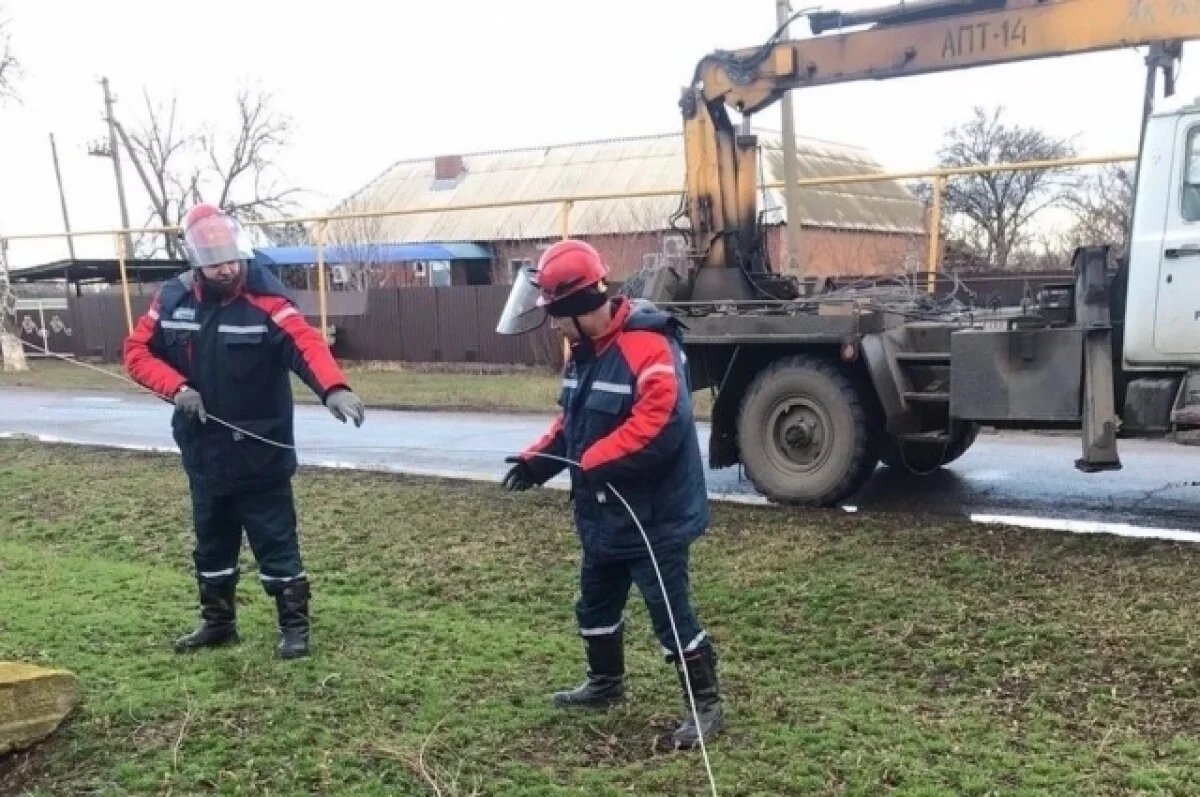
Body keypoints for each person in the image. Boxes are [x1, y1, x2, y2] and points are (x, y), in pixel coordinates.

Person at [496, 239, 724, 749]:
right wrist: (539, 461)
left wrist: (590, 463)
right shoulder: (584, 353)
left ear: (577, 308)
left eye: (556, 314)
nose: (553, 324)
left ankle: (706, 707)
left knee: (672, 617)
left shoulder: (649, 347)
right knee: (594, 606)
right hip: (604, 515)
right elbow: (572, 422)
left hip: (654, 519)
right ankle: (604, 685)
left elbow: (660, 423)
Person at [123, 203, 365, 660]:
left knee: (277, 544)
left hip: (261, 455)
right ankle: (218, 623)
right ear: (196, 261)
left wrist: (333, 388)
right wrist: (177, 388)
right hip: (203, 452)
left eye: (232, 259)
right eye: (216, 262)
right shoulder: (171, 300)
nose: (227, 268)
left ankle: (295, 629)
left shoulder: (268, 301)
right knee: (211, 543)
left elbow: (305, 344)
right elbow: (136, 352)